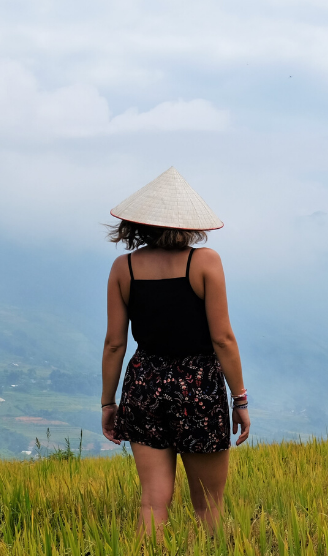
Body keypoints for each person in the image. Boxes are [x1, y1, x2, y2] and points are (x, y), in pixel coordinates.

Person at [99, 167, 251, 536]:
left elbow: (115, 343)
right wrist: (240, 399)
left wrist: (108, 402)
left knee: (152, 501)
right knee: (209, 506)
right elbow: (223, 339)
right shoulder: (204, 262)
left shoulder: (124, 268)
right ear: (188, 224)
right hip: (199, 388)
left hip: (144, 385)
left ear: (140, 224)